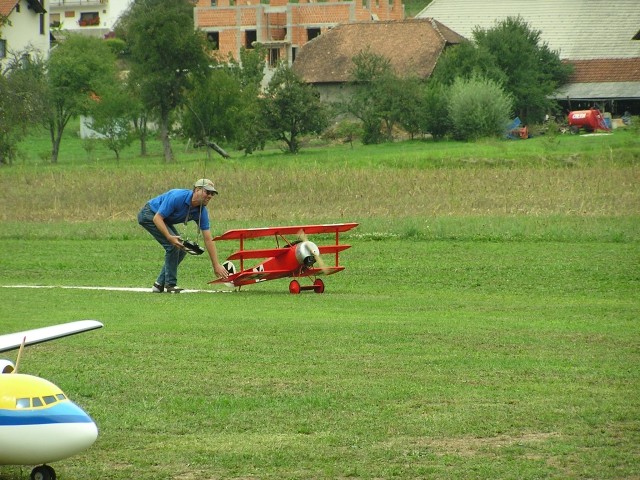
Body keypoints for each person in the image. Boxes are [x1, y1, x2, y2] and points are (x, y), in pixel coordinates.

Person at [138, 178, 228, 293]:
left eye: (212, 194)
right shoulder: (177, 197)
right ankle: (170, 285)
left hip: (162, 220)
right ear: (197, 190)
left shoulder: (201, 211)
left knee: (182, 247)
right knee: (173, 246)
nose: (210, 196)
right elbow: (157, 218)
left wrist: (216, 265)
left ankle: (159, 284)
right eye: (207, 192)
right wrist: (169, 237)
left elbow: (208, 238)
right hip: (150, 214)